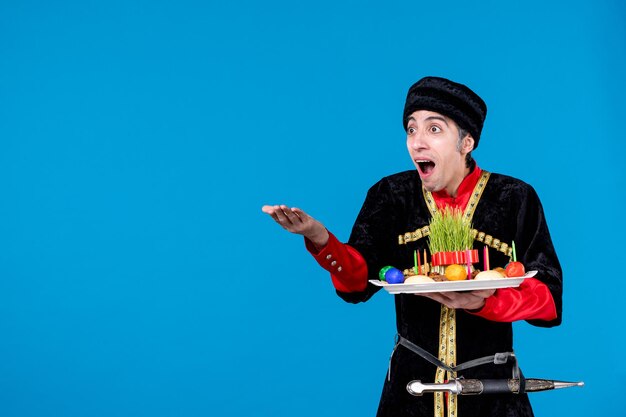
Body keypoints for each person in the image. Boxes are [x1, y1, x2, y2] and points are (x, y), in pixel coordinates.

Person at [262, 76, 562, 417]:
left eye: (434, 129)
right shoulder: (390, 196)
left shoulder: (514, 198)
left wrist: (486, 302)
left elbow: (549, 300)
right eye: (411, 129)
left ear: (467, 142)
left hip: (493, 392)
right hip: (410, 391)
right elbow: (358, 282)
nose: (417, 142)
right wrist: (320, 239)